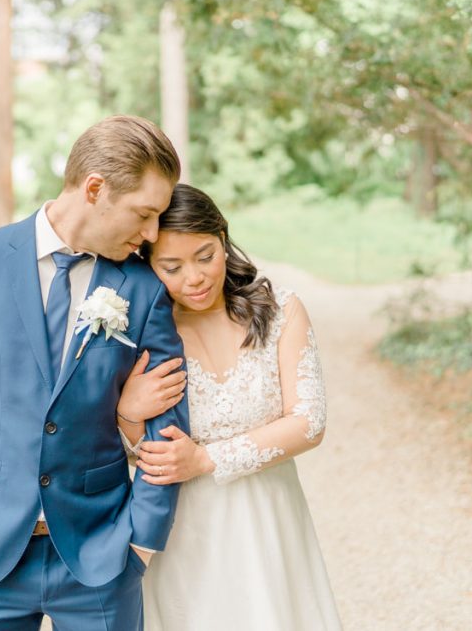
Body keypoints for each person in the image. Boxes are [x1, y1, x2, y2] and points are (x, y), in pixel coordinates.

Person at [0, 115, 190, 630]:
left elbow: (167, 428)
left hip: (101, 555)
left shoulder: (143, 287)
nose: (152, 233)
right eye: (144, 214)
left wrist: (141, 542)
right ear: (95, 189)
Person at [117, 183, 344, 630]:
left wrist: (205, 459)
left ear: (223, 239)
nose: (195, 278)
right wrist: (128, 412)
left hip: (270, 517)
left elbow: (309, 422)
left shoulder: (280, 311)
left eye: (205, 256)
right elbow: (138, 453)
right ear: (148, 264)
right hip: (185, 529)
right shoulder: (142, 335)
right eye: (172, 267)